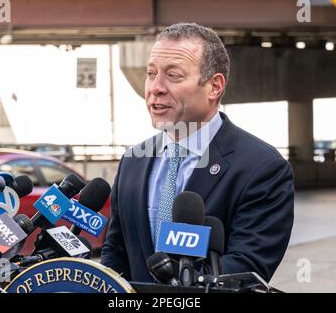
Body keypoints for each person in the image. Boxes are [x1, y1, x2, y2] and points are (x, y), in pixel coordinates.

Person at [101, 23, 294, 283]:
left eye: (173, 75)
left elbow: (248, 266)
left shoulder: (262, 167)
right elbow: (115, 252)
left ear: (214, 86)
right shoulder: (133, 161)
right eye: (151, 73)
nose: (155, 87)